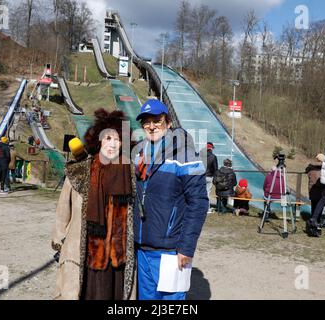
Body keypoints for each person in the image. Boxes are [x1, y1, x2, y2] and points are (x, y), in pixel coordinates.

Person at [51, 109, 136, 300]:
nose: (112, 144)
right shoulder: (80, 171)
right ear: (98, 141)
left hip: (117, 259)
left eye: (117, 139)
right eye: (107, 138)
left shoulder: (129, 173)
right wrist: (59, 238)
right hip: (84, 252)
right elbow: (64, 208)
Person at [134, 99, 208, 300]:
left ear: (168, 123)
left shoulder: (186, 154)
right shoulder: (139, 154)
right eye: (147, 121)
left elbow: (199, 202)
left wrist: (186, 247)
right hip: (142, 249)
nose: (151, 126)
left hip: (171, 253)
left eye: (157, 120)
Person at [305, 155, 325, 223]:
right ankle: (317, 219)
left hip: (312, 187)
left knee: (314, 204)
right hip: (321, 187)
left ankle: (313, 218)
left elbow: (307, 173)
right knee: (320, 204)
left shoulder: (311, 167)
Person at [200, 142, 218, 213]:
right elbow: (216, 168)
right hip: (209, 176)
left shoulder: (200, 155)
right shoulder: (213, 157)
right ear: (211, 148)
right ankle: (206, 208)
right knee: (207, 193)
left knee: (200, 192)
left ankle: (199, 207)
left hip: (201, 176)